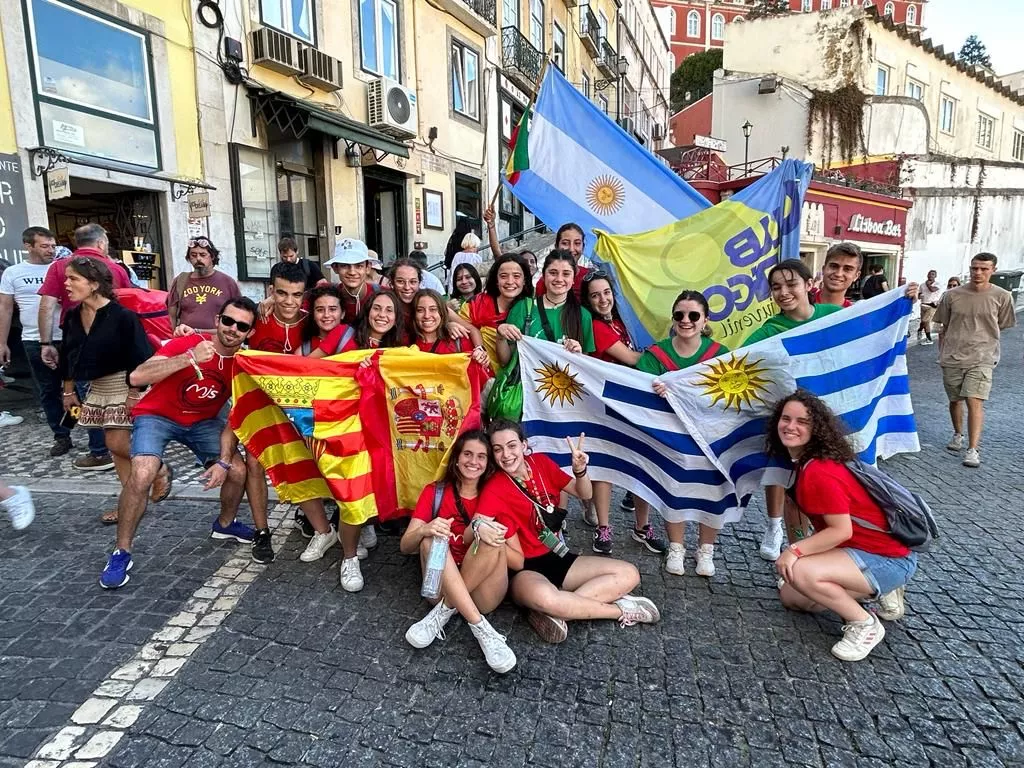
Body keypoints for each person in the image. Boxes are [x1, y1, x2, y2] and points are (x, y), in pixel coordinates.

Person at [744, 259, 919, 560]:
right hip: (798, 431)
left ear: (808, 284)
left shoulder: (834, 316)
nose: (784, 292)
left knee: (849, 492)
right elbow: (733, 366)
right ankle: (798, 551)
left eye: (790, 284)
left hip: (844, 425)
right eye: (776, 287)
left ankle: (857, 555)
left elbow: (874, 332)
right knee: (797, 494)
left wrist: (904, 300)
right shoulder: (767, 333)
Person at [99, 297, 260, 589]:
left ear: (249, 332)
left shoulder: (242, 362)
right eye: (228, 320)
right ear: (217, 320)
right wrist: (189, 357)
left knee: (237, 470)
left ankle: (224, 525)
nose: (233, 329)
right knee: (143, 473)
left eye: (242, 326)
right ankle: (121, 551)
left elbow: (240, 414)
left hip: (203, 423)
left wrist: (223, 460)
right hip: (157, 416)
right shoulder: (189, 343)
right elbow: (137, 376)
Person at [766, 390, 918, 661]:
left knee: (800, 570)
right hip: (859, 551)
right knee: (793, 596)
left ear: (817, 428)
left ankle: (864, 624)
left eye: (802, 422)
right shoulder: (807, 463)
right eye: (786, 418)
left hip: (886, 558)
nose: (791, 426)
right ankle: (872, 590)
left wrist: (794, 551)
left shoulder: (820, 471)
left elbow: (841, 530)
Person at [481, 420, 660, 643]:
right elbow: (480, 524)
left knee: (629, 574)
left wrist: (580, 471)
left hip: (557, 555)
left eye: (511, 446)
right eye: (498, 449)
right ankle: (620, 610)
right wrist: (479, 527)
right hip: (524, 570)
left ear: (524, 445)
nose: (506, 454)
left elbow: (583, 493)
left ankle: (560, 611)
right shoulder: (494, 487)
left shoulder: (540, 463)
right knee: (547, 598)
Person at [399, 430, 517, 673]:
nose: (473, 462)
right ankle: (482, 629)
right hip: (440, 586)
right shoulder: (435, 491)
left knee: (491, 538)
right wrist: (426, 529)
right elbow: (405, 546)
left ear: (488, 463)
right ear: (456, 457)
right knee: (429, 541)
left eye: (481, 457)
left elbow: (518, 561)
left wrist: (491, 535)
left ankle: (444, 611)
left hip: (483, 593)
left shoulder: (496, 494)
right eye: (468, 454)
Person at [58, 257, 161, 525]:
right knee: (116, 452)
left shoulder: (122, 316)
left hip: (125, 383)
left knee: (115, 443)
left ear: (93, 284)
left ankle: (159, 469)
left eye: (73, 279)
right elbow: (68, 354)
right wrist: (68, 391)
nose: (66, 283)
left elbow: (139, 356)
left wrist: (134, 393)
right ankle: (131, 502)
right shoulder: (72, 315)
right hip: (96, 387)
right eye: (67, 278)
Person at [637, 290, 730, 576]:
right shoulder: (656, 355)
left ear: (705, 320)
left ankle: (706, 550)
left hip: (709, 436)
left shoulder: (722, 355)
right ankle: (676, 546)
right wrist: (658, 393)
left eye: (693, 315)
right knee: (673, 488)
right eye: (680, 315)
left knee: (712, 491)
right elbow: (638, 394)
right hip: (671, 436)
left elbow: (729, 396)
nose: (686, 320)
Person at [579, 270, 667, 557]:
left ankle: (642, 527)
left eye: (606, 293)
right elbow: (633, 359)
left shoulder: (619, 322)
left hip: (629, 402)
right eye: (595, 295)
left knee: (640, 463)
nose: (602, 299)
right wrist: (672, 354)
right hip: (605, 403)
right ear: (588, 301)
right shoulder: (597, 327)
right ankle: (604, 527)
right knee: (603, 466)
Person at [38, 223, 133, 471]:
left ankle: (100, 450)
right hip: (112, 345)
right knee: (101, 400)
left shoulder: (59, 267)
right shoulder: (115, 268)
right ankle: (105, 449)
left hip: (77, 344)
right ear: (101, 243)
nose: (69, 284)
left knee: (86, 397)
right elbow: (130, 303)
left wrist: (45, 342)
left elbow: (47, 305)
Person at [933, 252, 1016, 468]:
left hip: (983, 357)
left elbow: (1003, 324)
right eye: (974, 268)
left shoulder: (1003, 296)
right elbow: (943, 326)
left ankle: (972, 449)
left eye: (983, 269)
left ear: (993, 270)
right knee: (955, 400)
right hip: (953, 355)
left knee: (974, 399)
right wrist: (941, 353)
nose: (978, 273)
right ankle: (958, 434)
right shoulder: (952, 295)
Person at [0, 226, 72, 456]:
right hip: (33, 339)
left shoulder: (62, 268)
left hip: (69, 337)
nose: (50, 250)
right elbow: (5, 308)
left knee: (77, 389)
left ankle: (73, 422)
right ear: (28, 246)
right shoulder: (13, 272)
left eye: (53, 246)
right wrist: (2, 342)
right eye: (44, 246)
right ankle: (61, 435)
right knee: (48, 390)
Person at [496, 250, 596, 366]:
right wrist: (500, 336)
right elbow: (505, 361)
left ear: (573, 279)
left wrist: (578, 354)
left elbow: (585, 369)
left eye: (566, 274)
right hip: (526, 383)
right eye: (553, 273)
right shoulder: (523, 308)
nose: (559, 279)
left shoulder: (583, 316)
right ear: (543, 275)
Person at [450, 253, 532, 373]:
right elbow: (462, 338)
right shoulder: (475, 305)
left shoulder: (531, 308)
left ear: (524, 280)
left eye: (516, 276)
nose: (510, 281)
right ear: (496, 280)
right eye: (503, 276)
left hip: (517, 380)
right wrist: (450, 325)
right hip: (478, 376)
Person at [167, 237, 242, 332]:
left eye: (203, 255)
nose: (198, 259)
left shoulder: (228, 282)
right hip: (186, 340)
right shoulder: (180, 281)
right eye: (193, 255)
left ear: (212, 256)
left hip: (217, 341)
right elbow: (171, 316)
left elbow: (239, 314)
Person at [244, 262, 308, 354]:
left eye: (297, 295)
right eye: (282, 293)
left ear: (303, 295)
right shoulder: (254, 319)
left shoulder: (313, 323)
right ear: (271, 291)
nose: (289, 301)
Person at [412, 289, 489, 364]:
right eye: (420, 310)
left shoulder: (459, 339)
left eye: (433, 309)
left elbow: (478, 374)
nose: (427, 315)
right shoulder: (408, 343)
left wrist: (480, 353)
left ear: (442, 312)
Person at [323, 239, 380, 326]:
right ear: (335, 268)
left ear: (368, 268)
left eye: (359, 266)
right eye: (344, 266)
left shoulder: (383, 295)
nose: (352, 272)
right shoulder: (326, 297)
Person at [534, 224, 591, 300]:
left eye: (577, 243)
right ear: (556, 246)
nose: (571, 249)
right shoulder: (547, 282)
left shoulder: (589, 278)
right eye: (565, 243)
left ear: (583, 247)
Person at [299, 285, 359, 358]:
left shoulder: (355, 336)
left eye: (332, 309)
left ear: (343, 313)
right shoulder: (304, 350)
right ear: (313, 315)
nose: (326, 315)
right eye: (320, 310)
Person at [813, 242, 861, 308]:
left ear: (856, 276)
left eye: (847, 269)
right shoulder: (801, 303)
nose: (838, 274)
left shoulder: (854, 315)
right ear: (823, 269)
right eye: (834, 266)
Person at [917, 270, 940, 345]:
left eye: (933, 274)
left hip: (932, 305)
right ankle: (920, 329)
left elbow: (932, 290)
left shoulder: (937, 284)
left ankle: (929, 339)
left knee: (926, 321)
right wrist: (919, 296)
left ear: (935, 276)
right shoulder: (922, 285)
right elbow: (919, 295)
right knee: (923, 321)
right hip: (923, 305)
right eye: (929, 274)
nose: (930, 275)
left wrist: (928, 284)